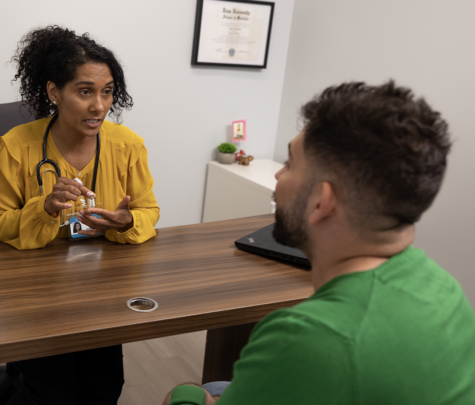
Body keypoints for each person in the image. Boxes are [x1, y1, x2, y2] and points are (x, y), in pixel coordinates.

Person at [163, 81, 475, 405]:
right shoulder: (446, 288)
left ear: (321, 202)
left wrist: (185, 394)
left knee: (194, 392)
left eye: (290, 164)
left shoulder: (309, 337)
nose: (277, 176)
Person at [0, 26, 159, 405]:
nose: (99, 106)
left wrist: (127, 222)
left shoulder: (128, 146)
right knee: (55, 396)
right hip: (34, 293)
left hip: (100, 290)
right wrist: (42, 207)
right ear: (54, 92)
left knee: (104, 390)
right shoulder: (17, 146)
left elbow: (147, 211)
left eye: (107, 91)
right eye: (85, 92)